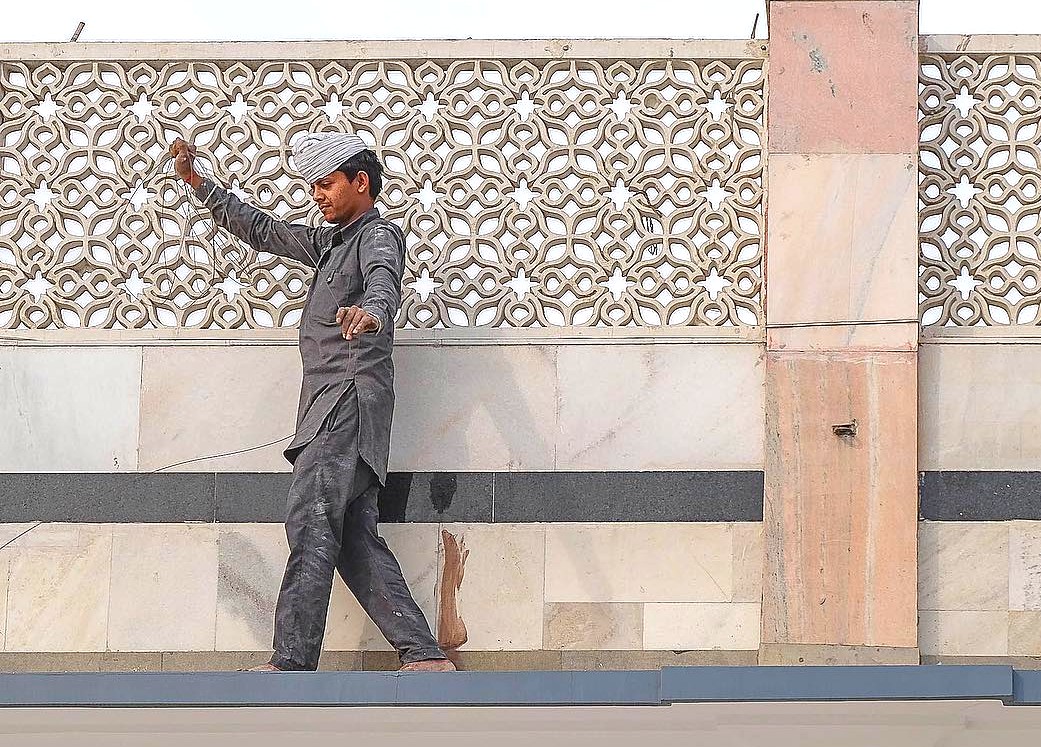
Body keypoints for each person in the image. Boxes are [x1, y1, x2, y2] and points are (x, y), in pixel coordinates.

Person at [169, 133, 454, 673]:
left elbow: (384, 284)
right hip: (335, 408)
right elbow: (264, 231)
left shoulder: (376, 237)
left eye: (326, 184)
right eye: (313, 186)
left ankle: (292, 662)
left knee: (310, 523)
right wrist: (200, 186)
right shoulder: (331, 243)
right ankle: (423, 654)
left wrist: (372, 313)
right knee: (351, 542)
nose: (317, 195)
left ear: (360, 183)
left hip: (344, 403)